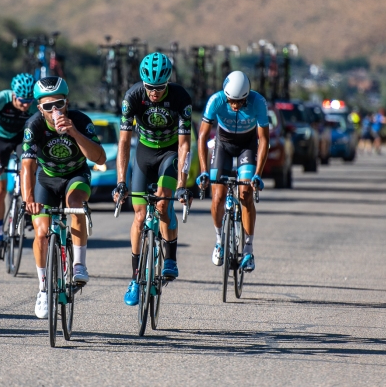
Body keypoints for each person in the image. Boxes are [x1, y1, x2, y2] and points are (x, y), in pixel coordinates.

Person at [112, 52, 193, 307]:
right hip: (144, 153)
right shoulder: (133, 97)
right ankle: (136, 278)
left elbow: (184, 145)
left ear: (167, 83)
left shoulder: (181, 98)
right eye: (150, 88)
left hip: (169, 153)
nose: (154, 93)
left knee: (163, 204)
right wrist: (121, 181)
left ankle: (170, 258)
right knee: (138, 216)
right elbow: (124, 142)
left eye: (159, 88)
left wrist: (182, 184)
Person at [21, 77, 106, 318]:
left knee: (75, 204)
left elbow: (99, 159)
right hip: (46, 179)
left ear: (66, 102)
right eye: (48, 107)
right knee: (40, 231)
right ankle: (43, 287)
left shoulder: (80, 120)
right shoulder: (34, 125)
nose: (54, 111)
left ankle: (78, 265)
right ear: (40, 108)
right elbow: (27, 166)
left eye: (58, 104)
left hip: (75, 176)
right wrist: (28, 198)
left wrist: (74, 132)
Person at [196, 71, 269, 274]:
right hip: (223, 145)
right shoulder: (216, 101)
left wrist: (258, 175)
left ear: (247, 96)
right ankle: (219, 240)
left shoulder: (258, 102)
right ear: (225, 95)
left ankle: (248, 249)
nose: (235, 105)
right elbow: (202, 137)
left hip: (247, 146)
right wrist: (204, 171)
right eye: (232, 101)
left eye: (240, 101)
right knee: (218, 196)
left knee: (245, 194)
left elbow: (264, 140)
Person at [0, 73, 37, 261]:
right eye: (22, 101)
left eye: (29, 102)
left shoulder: (34, 105)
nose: (26, 106)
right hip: (0, 139)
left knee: (29, 168)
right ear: (14, 96)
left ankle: (28, 206)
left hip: (22, 139)